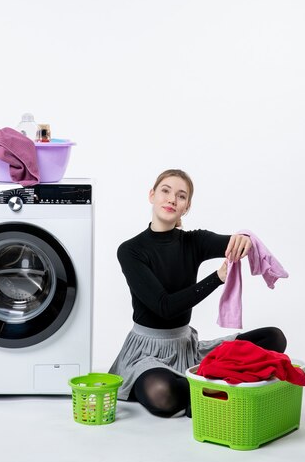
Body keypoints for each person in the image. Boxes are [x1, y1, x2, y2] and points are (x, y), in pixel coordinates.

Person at [109, 169, 287, 418]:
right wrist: (217, 279)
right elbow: (165, 307)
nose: (172, 199)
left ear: (186, 207)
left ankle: (205, 391)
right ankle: (220, 388)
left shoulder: (194, 241)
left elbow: (236, 242)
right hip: (146, 353)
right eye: (166, 191)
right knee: (163, 393)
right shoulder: (130, 251)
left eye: (181, 196)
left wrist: (245, 239)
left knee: (273, 338)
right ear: (152, 195)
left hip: (187, 348)